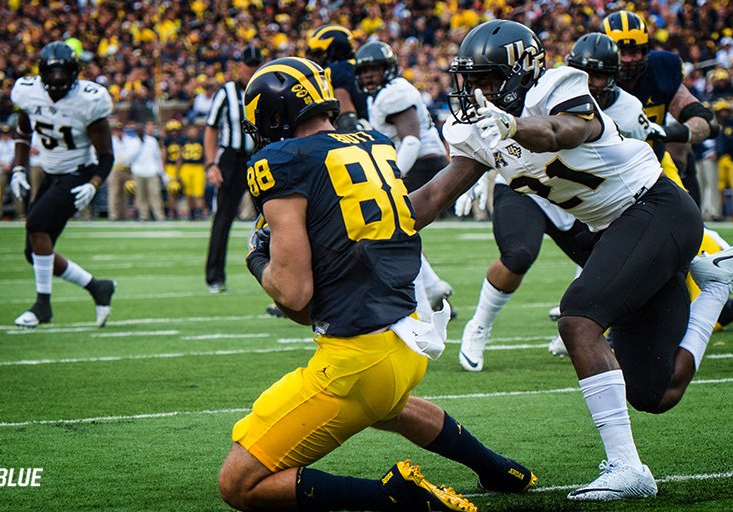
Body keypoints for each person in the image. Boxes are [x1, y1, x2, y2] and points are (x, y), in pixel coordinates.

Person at [406, 20, 733, 501]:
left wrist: (515, 125)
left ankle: (628, 469)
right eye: (471, 80)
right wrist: (361, 228)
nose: (477, 92)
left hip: (656, 208)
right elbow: (433, 196)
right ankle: (714, 285)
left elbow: (567, 130)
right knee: (653, 393)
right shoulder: (477, 127)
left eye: (487, 79)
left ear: (522, 72)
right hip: (618, 229)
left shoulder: (557, 85)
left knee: (578, 318)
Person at [218, 56, 536, 512]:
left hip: (359, 359)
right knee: (389, 407)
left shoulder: (281, 160)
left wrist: (256, 259)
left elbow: (294, 295)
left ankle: (392, 495)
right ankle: (493, 466)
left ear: (274, 115)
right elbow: (416, 207)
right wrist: (475, 160)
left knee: (238, 484)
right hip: (407, 340)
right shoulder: (375, 142)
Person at [9, 41, 116, 328]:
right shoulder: (28, 92)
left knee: (36, 225)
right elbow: (22, 131)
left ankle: (42, 305)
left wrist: (93, 184)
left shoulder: (89, 99)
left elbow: (106, 155)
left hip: (78, 173)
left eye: (63, 74)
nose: (57, 80)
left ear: (75, 72)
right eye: (52, 74)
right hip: (49, 173)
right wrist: (19, 167)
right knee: (34, 252)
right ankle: (98, 287)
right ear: (42, 73)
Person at [354, 40, 452, 320]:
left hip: (421, 162)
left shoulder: (394, 93)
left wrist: (389, 178)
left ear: (388, 69)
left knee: (384, 227)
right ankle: (431, 287)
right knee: (394, 230)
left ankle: (423, 302)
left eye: (375, 69)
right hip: (418, 162)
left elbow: (410, 140)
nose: (369, 76)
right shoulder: (383, 94)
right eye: (365, 71)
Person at [603, 11, 721, 205]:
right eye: (621, 52)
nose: (628, 60)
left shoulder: (660, 70)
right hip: (607, 171)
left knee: (687, 219)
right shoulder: (591, 79)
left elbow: (707, 122)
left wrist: (665, 132)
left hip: (653, 163)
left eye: (634, 52)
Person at [203, 46, 259, 294]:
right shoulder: (226, 91)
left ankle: (281, 274)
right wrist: (211, 163)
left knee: (274, 217)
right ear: (240, 66)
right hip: (231, 159)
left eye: (256, 64)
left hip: (259, 157)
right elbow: (211, 127)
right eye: (249, 64)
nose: (253, 69)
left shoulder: (265, 90)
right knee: (223, 218)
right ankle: (215, 277)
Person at [305, 24, 367, 130]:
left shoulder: (337, 69)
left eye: (318, 53)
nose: (314, 58)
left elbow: (346, 116)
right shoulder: (352, 65)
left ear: (335, 50)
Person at [129, 120, 165, 221]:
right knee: (141, 196)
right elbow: (128, 158)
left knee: (155, 195)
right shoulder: (132, 142)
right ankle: (143, 216)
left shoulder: (152, 141)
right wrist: (138, 145)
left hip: (151, 171)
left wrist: (161, 172)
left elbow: (157, 157)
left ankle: (159, 216)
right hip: (138, 171)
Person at [0, 126, 17, 219]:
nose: (5, 136)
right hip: (1, 170)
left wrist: (11, 166)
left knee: (16, 192)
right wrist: (5, 166)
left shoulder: (14, 144)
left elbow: (17, 156)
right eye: (3, 134)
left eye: (7, 134)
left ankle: (21, 213)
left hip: (13, 170)